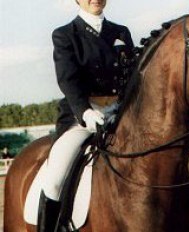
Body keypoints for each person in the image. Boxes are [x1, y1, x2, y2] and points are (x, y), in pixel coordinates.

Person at [37, 0, 134, 231]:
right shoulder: (65, 35)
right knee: (55, 178)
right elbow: (67, 79)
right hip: (81, 118)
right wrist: (86, 112)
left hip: (120, 115)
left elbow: (133, 76)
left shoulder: (121, 32)